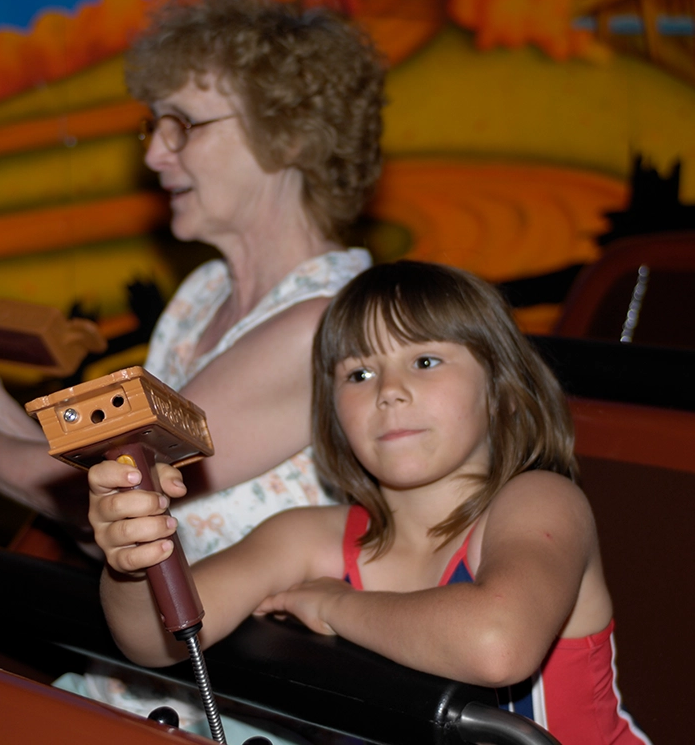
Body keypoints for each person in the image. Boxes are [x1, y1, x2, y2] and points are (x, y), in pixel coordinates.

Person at [0, 0, 384, 564]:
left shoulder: (325, 327)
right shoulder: (204, 294)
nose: (154, 157)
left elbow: (120, 489)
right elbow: (113, 509)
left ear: (289, 134)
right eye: (156, 127)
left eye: (183, 126)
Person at [89, 261, 653, 745]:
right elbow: (156, 640)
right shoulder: (308, 539)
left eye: (425, 361)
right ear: (334, 414)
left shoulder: (541, 501)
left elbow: (496, 645)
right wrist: (134, 559)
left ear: (501, 391)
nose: (388, 389)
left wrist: (337, 607)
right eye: (358, 373)